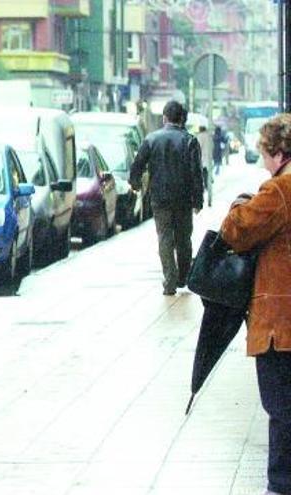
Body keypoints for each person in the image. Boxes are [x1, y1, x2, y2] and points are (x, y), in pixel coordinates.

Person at [220, 113, 291, 495]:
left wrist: (238, 203)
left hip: (282, 324)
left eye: (264, 153)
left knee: (280, 408)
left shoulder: (279, 190)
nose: (263, 161)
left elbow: (236, 231)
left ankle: (281, 485)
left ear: (279, 152)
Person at [130, 100, 203, 296]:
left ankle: (169, 281)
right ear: (181, 118)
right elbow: (196, 173)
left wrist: (135, 184)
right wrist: (198, 201)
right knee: (183, 239)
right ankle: (183, 277)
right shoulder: (190, 141)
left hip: (159, 198)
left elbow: (137, 165)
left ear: (164, 118)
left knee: (164, 237)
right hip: (183, 199)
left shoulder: (151, 139)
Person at [196, 125, 214, 206]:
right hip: (208, 159)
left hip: (202, 159)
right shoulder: (209, 136)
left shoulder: (200, 136)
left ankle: (205, 187)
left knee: (202, 174)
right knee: (207, 172)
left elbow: (198, 147)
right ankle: (208, 185)